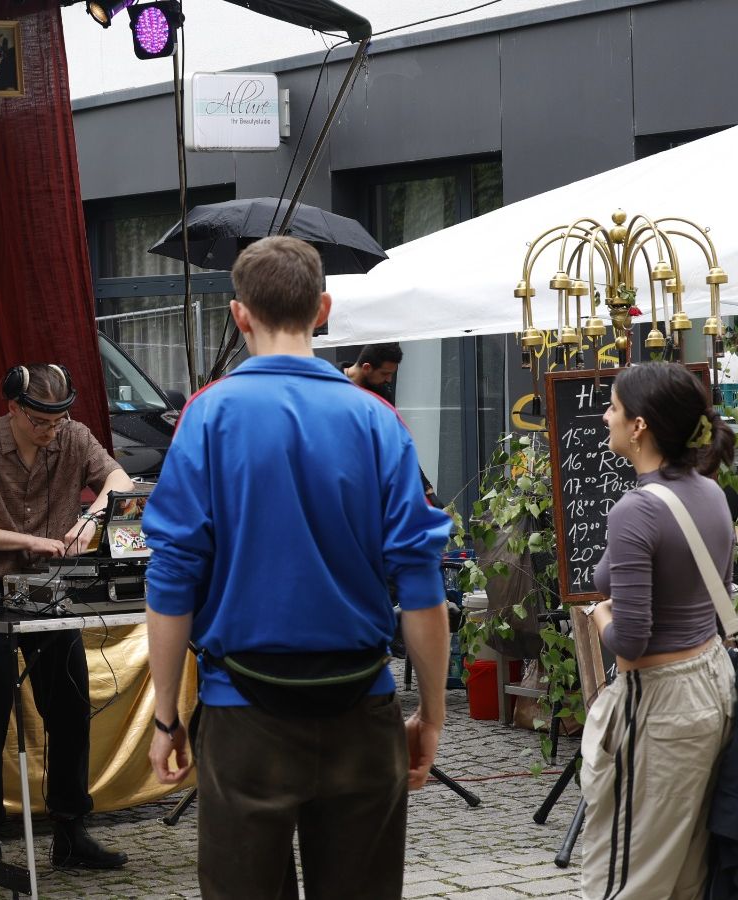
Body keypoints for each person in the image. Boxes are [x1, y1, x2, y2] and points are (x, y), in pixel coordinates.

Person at [141, 236, 453, 900]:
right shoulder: (378, 420)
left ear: (239, 315)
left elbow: (171, 579)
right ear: (323, 310)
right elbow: (422, 582)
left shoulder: (206, 416)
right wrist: (430, 714)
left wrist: (166, 716)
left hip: (244, 713)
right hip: (362, 707)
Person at [0, 363, 133, 872]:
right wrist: (25, 540)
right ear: (14, 409)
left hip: (50, 588)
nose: (51, 433)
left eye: (60, 422)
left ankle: (70, 831)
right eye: (41, 423)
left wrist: (91, 518)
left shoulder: (73, 437)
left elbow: (118, 478)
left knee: (68, 708)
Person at [580, 361, 738, 899]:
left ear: (640, 425)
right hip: (712, 683)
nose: (606, 417)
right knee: (685, 870)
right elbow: (713, 594)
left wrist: (599, 613)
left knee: (626, 875)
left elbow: (630, 640)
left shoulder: (636, 511)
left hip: (659, 700)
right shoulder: (710, 493)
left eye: (615, 408)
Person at [345, 341, 439, 506]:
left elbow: (399, 444)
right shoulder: (327, 381)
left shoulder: (382, 396)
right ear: (367, 367)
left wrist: (427, 490)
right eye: (384, 373)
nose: (389, 379)